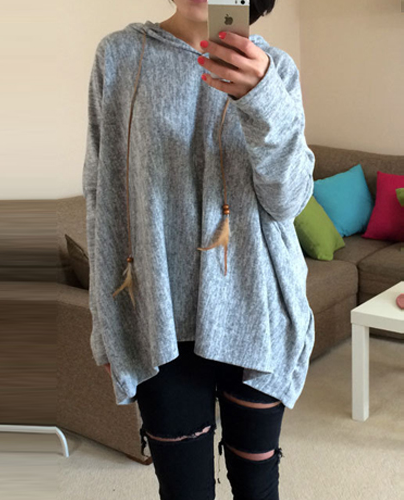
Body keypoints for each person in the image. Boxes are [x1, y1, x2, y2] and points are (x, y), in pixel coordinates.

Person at [82, 1, 316, 498]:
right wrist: (106, 323)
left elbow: (288, 201)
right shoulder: (119, 57)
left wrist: (262, 98)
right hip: (159, 315)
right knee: (183, 490)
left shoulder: (276, 69)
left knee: (257, 486)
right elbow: (103, 198)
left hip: (257, 309)